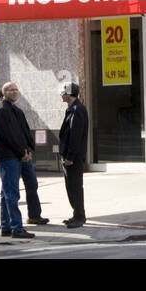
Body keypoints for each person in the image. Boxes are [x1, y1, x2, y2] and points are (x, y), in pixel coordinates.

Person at [0, 81, 35, 240]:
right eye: (10, 90)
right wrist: (21, 152)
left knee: (7, 193)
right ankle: (16, 228)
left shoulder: (16, 110)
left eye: (16, 89)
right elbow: (8, 137)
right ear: (3, 93)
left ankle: (7, 227)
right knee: (11, 193)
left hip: (19, 155)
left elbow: (24, 133)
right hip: (9, 157)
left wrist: (28, 150)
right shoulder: (2, 111)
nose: (14, 92)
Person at [59, 82, 89, 228]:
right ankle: (77, 214)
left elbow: (75, 136)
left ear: (69, 94)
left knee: (75, 186)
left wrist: (70, 157)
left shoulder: (77, 110)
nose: (61, 94)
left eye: (63, 92)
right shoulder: (73, 108)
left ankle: (79, 216)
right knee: (71, 186)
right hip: (72, 156)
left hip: (73, 157)